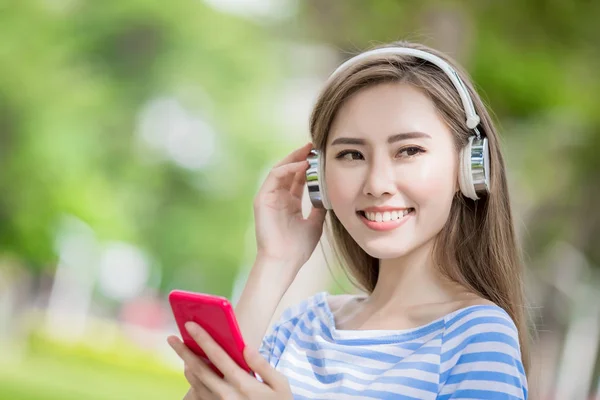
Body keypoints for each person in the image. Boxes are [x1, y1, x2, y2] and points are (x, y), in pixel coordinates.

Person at [168, 40, 530, 399]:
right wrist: (276, 260)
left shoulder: (478, 337)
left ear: (468, 168)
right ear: (319, 179)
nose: (376, 184)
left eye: (408, 151)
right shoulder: (304, 324)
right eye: (352, 154)